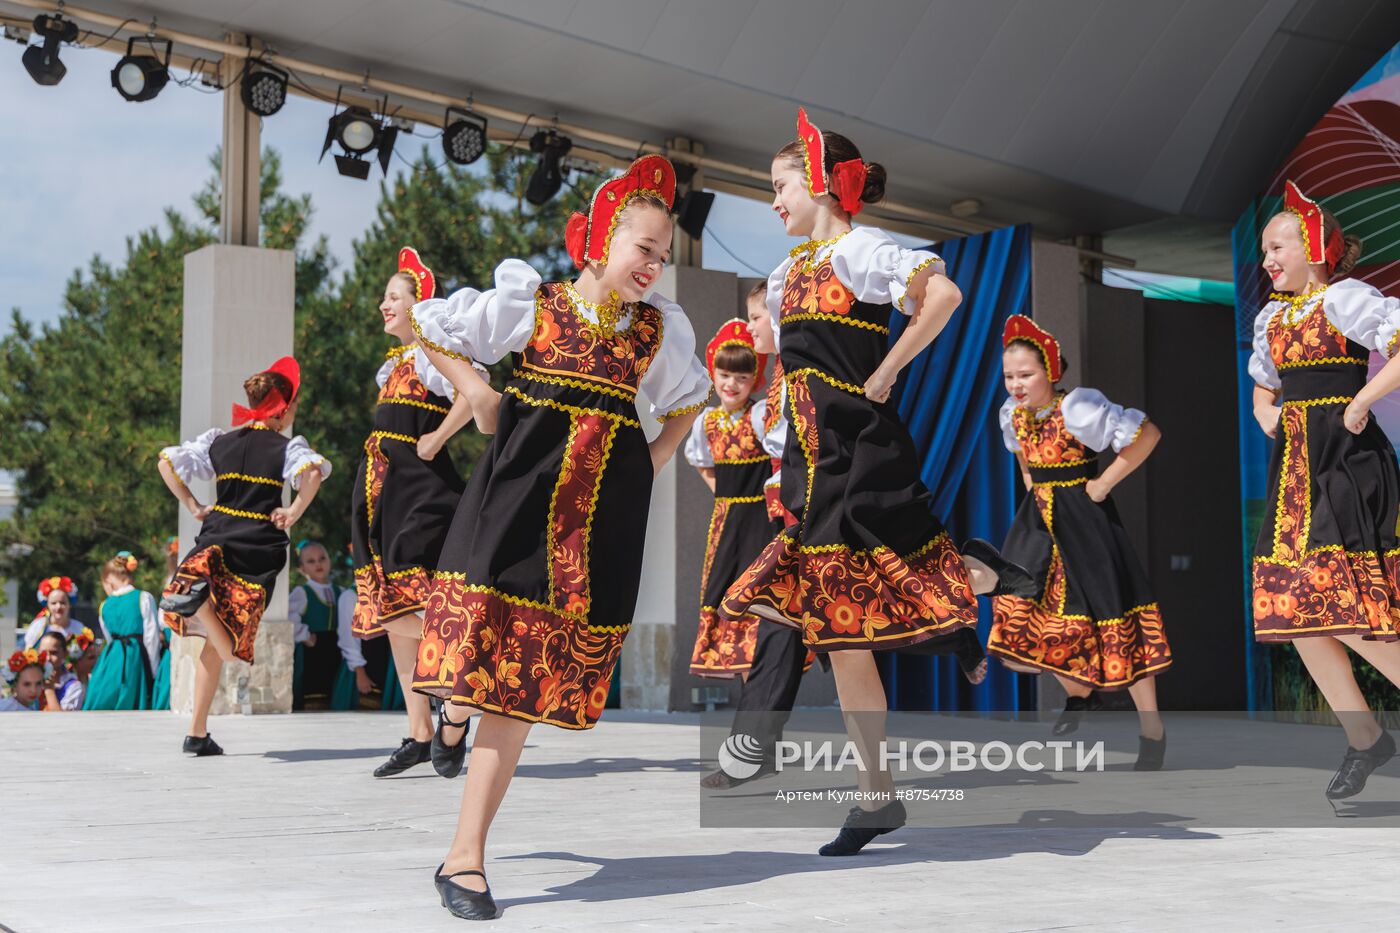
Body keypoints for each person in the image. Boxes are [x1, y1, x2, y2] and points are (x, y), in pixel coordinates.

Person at [719, 108, 1034, 856]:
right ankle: (877, 797)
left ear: (822, 185)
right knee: (844, 633)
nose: (771, 202)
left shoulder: (862, 251)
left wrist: (889, 368)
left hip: (856, 450)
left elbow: (946, 297)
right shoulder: (785, 272)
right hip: (809, 455)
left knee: (825, 600)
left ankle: (982, 575)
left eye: (779, 186)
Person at [409, 154, 711, 919]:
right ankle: (449, 715)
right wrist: (477, 387)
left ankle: (463, 856)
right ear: (604, 238)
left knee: (516, 687)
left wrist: (655, 454)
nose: (654, 265)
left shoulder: (658, 332)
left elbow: (692, 396)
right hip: (514, 504)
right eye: (644, 248)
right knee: (482, 652)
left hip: (597, 520)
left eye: (663, 255)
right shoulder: (533, 305)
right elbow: (429, 323)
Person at [1248, 180, 1400, 798]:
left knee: (1352, 612)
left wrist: (1362, 401)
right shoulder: (1271, 318)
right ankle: (1366, 739)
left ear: (1314, 247)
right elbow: (1264, 386)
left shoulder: (1344, 300)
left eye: (1277, 247)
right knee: (1298, 615)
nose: (1267, 261)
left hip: (1345, 463)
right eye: (1262, 252)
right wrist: (1268, 417)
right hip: (1295, 473)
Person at [988, 314, 1170, 768]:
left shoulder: (1078, 407)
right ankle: (1080, 692)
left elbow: (1147, 434)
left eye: (1026, 374)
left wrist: (1103, 484)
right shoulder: (1013, 414)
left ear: (1051, 372)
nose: (1016, 384)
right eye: (1010, 376)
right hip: (1038, 525)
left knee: (1116, 618)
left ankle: (1152, 730)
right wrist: (1032, 489)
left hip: (1084, 519)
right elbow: (1023, 460)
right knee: (1020, 617)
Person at [351, 247, 490, 775]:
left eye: (395, 296)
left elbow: (474, 391)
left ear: (419, 304)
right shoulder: (394, 365)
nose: (384, 304)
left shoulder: (433, 353)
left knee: (420, 598)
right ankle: (419, 730)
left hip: (419, 491)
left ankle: (456, 694)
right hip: (383, 490)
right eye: (384, 296)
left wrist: (434, 440)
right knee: (392, 612)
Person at [158, 356, 330, 755]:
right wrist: (292, 511)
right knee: (233, 647)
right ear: (284, 410)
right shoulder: (287, 447)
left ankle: (197, 733)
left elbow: (166, 461)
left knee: (212, 648)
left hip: (213, 540)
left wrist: (192, 505)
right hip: (254, 550)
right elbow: (315, 473)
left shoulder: (220, 440)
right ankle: (199, 608)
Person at [684, 319, 771, 679]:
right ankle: (742, 677)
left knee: (760, 591)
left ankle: (762, 674)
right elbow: (701, 462)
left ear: (754, 380)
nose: (731, 384)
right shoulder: (706, 422)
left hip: (763, 520)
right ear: (713, 374)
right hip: (727, 521)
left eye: (741, 378)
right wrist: (725, 495)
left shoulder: (762, 415)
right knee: (726, 589)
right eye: (724, 375)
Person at [83, 552, 161, 710]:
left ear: (108, 579)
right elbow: (151, 638)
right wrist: (153, 673)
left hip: (111, 659)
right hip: (136, 657)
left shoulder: (105, 605)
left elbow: (108, 638)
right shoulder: (143, 598)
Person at [289, 541, 355, 711]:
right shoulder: (302, 592)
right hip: (314, 651)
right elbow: (290, 618)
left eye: (322, 558)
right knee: (315, 695)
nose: (318, 564)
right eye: (311, 561)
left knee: (334, 692)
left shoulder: (340, 591)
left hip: (335, 649)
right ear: (302, 568)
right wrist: (305, 636)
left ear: (329, 561)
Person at [22, 576, 84, 648]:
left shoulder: (78, 628)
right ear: (47, 605)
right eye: (53, 603)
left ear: (69, 604)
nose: (58, 607)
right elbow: (29, 651)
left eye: (62, 603)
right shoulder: (39, 626)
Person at [37, 631, 84, 710]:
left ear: (65, 654)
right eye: (43, 653)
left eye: (54, 653)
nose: (48, 658)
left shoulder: (73, 687)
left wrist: (49, 689)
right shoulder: (31, 680)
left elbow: (61, 720)